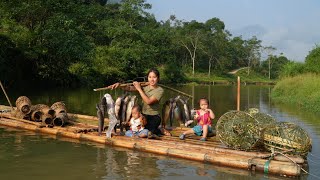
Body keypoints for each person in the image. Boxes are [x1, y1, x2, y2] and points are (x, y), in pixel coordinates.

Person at [109, 68, 165, 136]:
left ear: (158, 78)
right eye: (150, 77)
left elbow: (149, 102)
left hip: (154, 117)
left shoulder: (160, 90)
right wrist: (120, 85)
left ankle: (159, 130)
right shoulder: (145, 86)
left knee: (146, 132)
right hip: (143, 115)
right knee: (131, 127)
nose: (152, 79)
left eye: (154, 77)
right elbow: (130, 88)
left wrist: (139, 89)